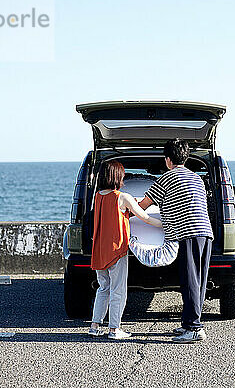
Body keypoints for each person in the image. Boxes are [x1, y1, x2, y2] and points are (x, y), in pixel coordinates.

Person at [138, 139, 214, 343]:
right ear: (186, 157)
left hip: (188, 234)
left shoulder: (167, 178)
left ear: (167, 160)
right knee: (199, 282)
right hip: (205, 233)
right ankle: (190, 324)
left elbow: (143, 206)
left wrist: (121, 209)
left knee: (190, 281)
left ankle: (195, 329)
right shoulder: (197, 178)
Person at [88, 160, 162, 339]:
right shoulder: (122, 197)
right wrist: (164, 225)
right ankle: (114, 329)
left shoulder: (98, 196)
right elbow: (144, 217)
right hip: (116, 250)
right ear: (118, 176)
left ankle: (95, 326)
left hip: (99, 250)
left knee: (103, 288)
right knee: (118, 290)